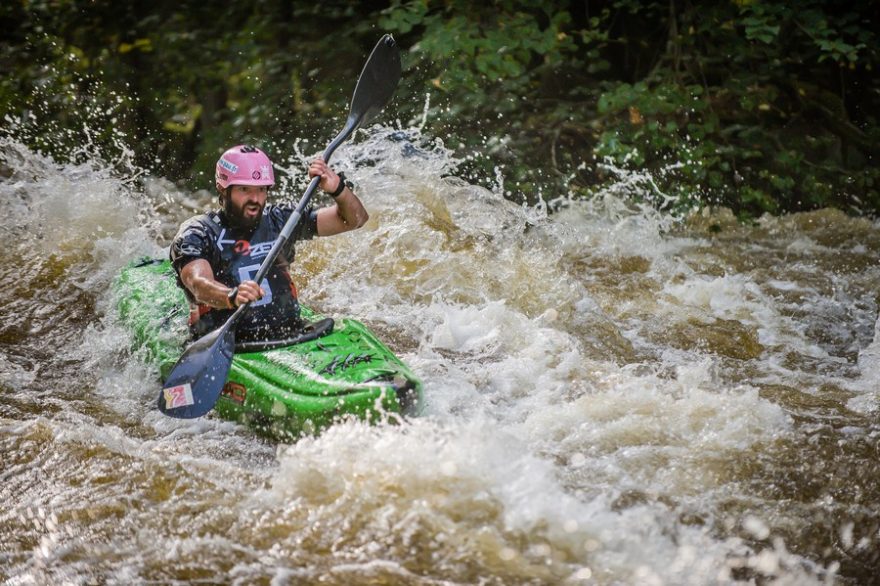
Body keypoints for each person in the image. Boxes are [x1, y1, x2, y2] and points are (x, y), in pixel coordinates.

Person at [169, 144, 368, 343]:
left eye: (261, 189)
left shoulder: (281, 220)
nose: (255, 199)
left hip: (290, 332)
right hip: (227, 341)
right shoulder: (198, 233)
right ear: (222, 188)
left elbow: (355, 220)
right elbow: (198, 284)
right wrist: (231, 296)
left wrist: (338, 189)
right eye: (244, 189)